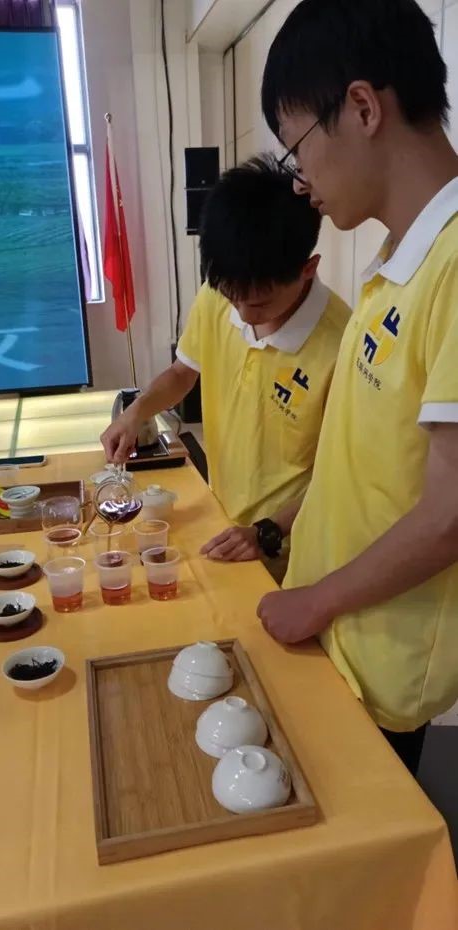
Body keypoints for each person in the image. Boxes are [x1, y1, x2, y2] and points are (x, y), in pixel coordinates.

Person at [258, 0, 458, 774]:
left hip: (377, 659)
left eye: (296, 148)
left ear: (363, 107)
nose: (300, 181)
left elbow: (448, 516)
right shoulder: (396, 262)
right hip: (334, 629)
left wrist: (315, 600)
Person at [101, 154, 350, 567]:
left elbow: (339, 472)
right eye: (233, 299)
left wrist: (268, 531)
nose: (243, 315)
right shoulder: (217, 295)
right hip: (222, 523)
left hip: (288, 546)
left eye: (260, 303)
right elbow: (183, 372)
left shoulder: (343, 344)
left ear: (308, 269)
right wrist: (136, 413)